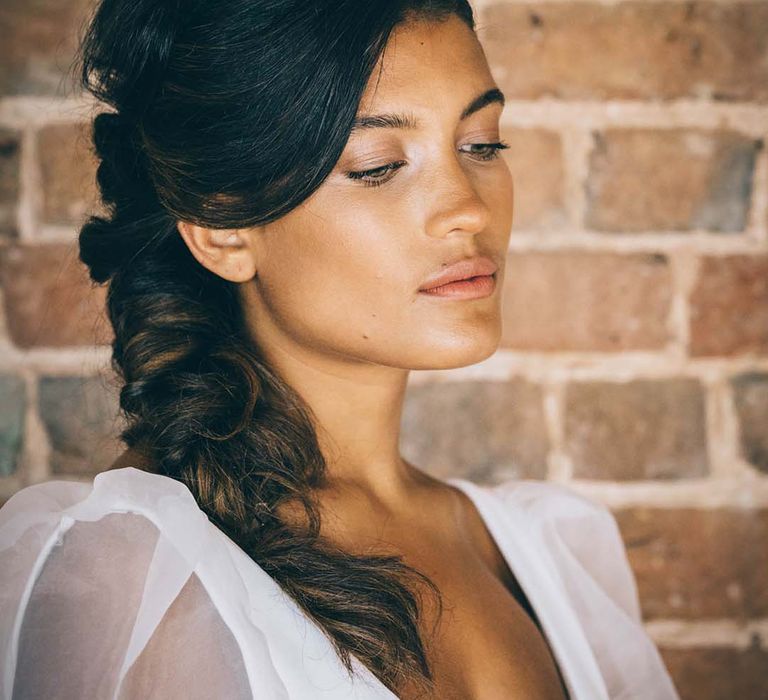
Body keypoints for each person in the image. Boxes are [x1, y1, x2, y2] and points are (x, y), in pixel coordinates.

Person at [0, 1, 680, 698]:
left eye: (480, 144)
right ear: (224, 229)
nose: (469, 209)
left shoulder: (550, 554)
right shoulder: (128, 580)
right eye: (380, 165)